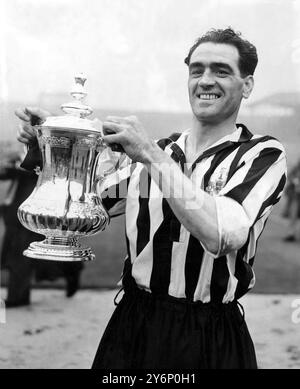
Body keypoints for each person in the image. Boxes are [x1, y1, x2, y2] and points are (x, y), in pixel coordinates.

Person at [16, 28, 287, 369]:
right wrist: (54, 144)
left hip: (211, 332)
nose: (206, 80)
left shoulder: (261, 154)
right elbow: (87, 202)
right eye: (197, 70)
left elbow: (222, 234)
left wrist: (149, 155)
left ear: (246, 85)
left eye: (221, 71)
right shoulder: (159, 153)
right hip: (135, 324)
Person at [0, 150, 83, 307]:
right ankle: (71, 270)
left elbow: (44, 170)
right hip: (19, 210)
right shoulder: (24, 148)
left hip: (36, 208)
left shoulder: (46, 146)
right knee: (25, 253)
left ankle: (18, 296)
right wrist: (9, 165)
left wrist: (18, 166)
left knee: (25, 253)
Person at [282, 160, 300, 241]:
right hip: (296, 196)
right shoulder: (297, 167)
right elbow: (290, 175)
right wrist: (295, 181)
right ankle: (291, 233)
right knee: (293, 214)